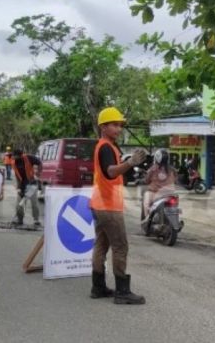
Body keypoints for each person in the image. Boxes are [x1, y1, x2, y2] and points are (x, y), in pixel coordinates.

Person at [90, 107, 147, 305]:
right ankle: (122, 292)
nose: (119, 128)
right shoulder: (105, 146)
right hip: (108, 206)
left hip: (99, 203)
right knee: (120, 246)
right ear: (103, 127)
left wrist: (128, 163)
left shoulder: (106, 146)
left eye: (120, 125)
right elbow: (111, 172)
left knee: (101, 245)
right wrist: (130, 162)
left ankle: (98, 287)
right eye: (114, 125)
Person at [11, 149, 42, 227]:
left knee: (34, 203)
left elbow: (39, 163)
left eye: (14, 155)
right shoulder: (13, 162)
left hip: (32, 184)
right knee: (19, 204)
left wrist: (38, 174)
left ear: (20, 155)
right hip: (22, 185)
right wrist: (19, 188)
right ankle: (20, 219)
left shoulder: (28, 158)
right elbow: (17, 175)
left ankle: (36, 220)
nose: (13, 157)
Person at [143, 149, 176, 219]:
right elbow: (176, 179)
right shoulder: (172, 169)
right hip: (170, 193)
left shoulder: (153, 168)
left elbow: (146, 180)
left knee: (146, 204)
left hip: (155, 193)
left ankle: (147, 218)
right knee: (175, 205)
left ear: (156, 158)